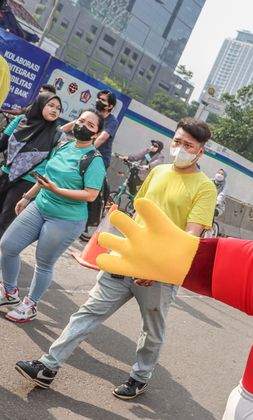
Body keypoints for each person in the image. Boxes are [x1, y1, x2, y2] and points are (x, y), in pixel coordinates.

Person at [15, 118, 217, 399]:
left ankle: (140, 376)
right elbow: (138, 213)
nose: (180, 148)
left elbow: (190, 237)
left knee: (152, 327)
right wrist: (120, 247)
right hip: (127, 258)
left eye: (188, 145)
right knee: (88, 311)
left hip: (160, 271)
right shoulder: (158, 172)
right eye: (177, 141)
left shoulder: (205, 188)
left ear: (200, 151)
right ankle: (48, 366)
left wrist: (159, 269)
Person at [0, 109, 106, 322]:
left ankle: (31, 304)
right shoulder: (64, 145)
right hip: (39, 206)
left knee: (44, 263)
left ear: (95, 134)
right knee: (7, 246)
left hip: (66, 219)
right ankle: (10, 291)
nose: (83, 126)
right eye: (81, 120)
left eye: (90, 125)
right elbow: (46, 175)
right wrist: (27, 197)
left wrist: (57, 190)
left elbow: (91, 195)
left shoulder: (94, 160)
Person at [0, 93, 63, 236]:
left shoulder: (58, 135)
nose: (54, 110)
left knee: (4, 221)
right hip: (5, 173)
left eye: (58, 108)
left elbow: (52, 168)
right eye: (51, 105)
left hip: (27, 182)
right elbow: (2, 144)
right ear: (40, 104)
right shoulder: (20, 121)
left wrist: (29, 195)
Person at [63, 90, 118, 241]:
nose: (98, 101)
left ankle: (86, 223)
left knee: (88, 192)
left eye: (103, 100)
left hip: (97, 159)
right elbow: (76, 123)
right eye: (98, 98)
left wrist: (87, 148)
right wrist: (58, 131)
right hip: (83, 153)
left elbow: (102, 138)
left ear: (110, 106)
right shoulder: (92, 114)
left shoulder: (112, 121)